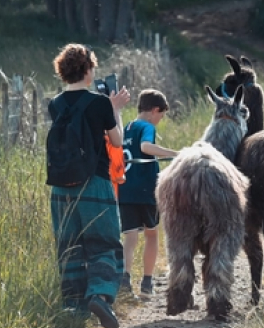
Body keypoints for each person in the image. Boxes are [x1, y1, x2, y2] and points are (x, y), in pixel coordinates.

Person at [49, 43, 130, 328]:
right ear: (87, 69)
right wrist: (115, 109)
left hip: (59, 188)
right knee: (103, 244)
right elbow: (117, 141)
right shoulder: (99, 103)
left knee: (69, 247)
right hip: (94, 184)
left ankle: (73, 309)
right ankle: (100, 295)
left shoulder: (54, 103)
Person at [118, 89, 179, 300]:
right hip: (145, 191)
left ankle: (125, 279)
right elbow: (146, 147)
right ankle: (146, 282)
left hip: (124, 190)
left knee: (130, 236)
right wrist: (175, 154)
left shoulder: (126, 127)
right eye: (161, 116)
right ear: (155, 110)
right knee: (152, 234)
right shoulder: (146, 127)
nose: (159, 120)